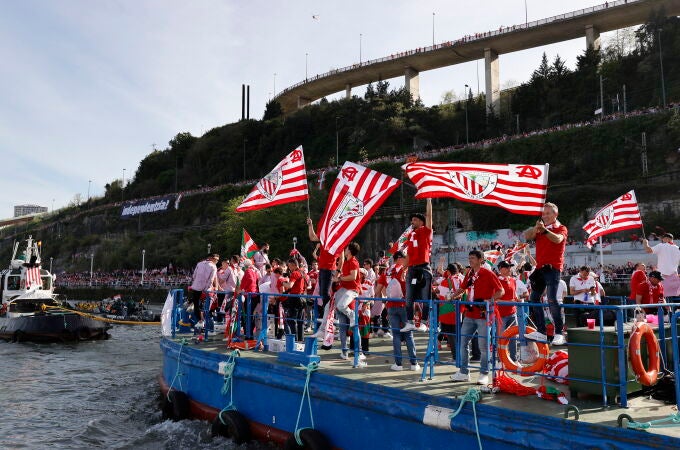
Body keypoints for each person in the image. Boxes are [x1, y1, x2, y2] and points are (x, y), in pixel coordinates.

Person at [449, 250, 504, 385]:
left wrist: (489, 300)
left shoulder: (488, 273)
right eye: (469, 258)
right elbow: (462, 289)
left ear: (481, 259)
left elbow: (501, 291)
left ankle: (484, 373)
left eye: (473, 258)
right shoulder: (469, 274)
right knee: (462, 343)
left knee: (484, 347)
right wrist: (451, 297)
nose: (470, 260)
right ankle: (463, 372)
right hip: (469, 314)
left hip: (483, 315)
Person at [523, 203, 568, 345]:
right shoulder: (540, 228)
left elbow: (558, 239)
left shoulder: (561, 228)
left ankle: (559, 332)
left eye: (548, 213)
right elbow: (526, 235)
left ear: (555, 214)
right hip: (540, 268)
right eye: (544, 213)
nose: (545, 216)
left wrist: (545, 231)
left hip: (553, 268)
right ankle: (541, 332)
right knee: (534, 298)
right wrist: (537, 228)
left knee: (552, 299)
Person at [400, 198, 433, 332]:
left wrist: (429, 200)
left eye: (414, 220)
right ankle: (410, 322)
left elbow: (429, 216)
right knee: (409, 297)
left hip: (424, 267)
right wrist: (403, 269)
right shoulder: (410, 235)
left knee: (426, 296)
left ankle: (424, 322)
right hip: (412, 269)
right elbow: (408, 255)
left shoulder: (426, 231)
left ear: (421, 222)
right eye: (412, 220)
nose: (412, 222)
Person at [386, 251, 419, 371]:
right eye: (403, 258)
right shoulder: (404, 270)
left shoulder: (387, 271)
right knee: (409, 335)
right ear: (400, 259)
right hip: (404, 305)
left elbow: (382, 287)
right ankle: (414, 364)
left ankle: (398, 364)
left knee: (396, 335)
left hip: (391, 305)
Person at [306, 217, 338, 333]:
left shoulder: (337, 238)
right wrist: (310, 225)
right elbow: (312, 237)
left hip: (330, 269)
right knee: (322, 293)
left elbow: (342, 256)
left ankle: (329, 315)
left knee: (325, 293)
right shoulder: (325, 237)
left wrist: (338, 271)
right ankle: (326, 315)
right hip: (323, 268)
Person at [332, 242, 361, 359]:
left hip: (351, 294)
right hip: (344, 293)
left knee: (353, 327)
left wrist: (339, 278)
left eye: (346, 248)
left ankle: (358, 352)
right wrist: (338, 279)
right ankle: (344, 351)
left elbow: (353, 277)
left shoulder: (353, 262)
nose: (345, 250)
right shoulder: (345, 262)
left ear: (350, 250)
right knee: (343, 327)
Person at [189, 253, 219, 328]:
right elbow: (211, 279)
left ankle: (200, 321)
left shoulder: (199, 264)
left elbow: (194, 275)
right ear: (212, 259)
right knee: (205, 307)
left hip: (196, 287)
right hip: (206, 290)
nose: (217, 261)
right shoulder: (213, 266)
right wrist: (206, 288)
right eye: (216, 260)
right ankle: (204, 323)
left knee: (196, 305)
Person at [281, 258, 306, 341]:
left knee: (291, 320)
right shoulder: (301, 272)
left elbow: (290, 285)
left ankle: (294, 340)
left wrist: (283, 282)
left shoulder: (295, 273)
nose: (289, 268)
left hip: (295, 298)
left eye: (289, 266)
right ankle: (300, 340)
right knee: (300, 321)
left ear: (294, 265)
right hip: (302, 298)